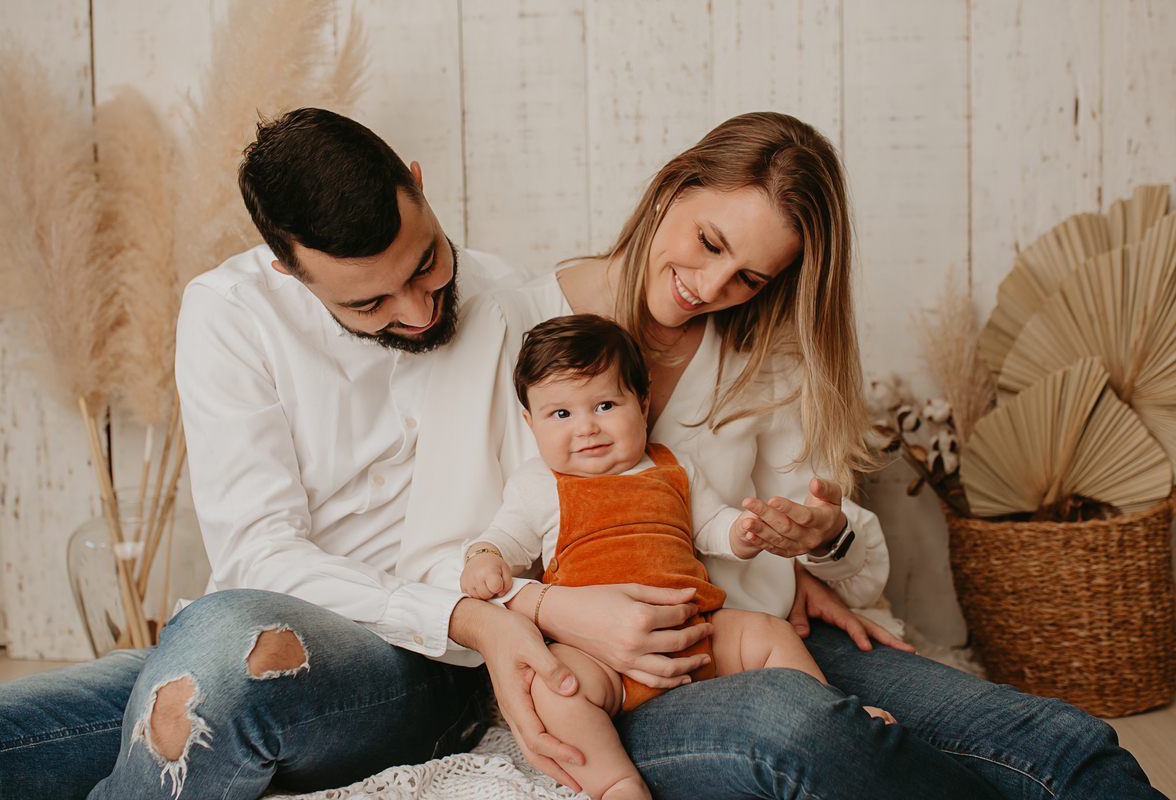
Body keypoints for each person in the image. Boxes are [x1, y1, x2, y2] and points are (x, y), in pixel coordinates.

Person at [398, 111, 1165, 799]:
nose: (710, 286)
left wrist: (818, 542)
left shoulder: (762, 355)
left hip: (750, 637)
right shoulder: (514, 322)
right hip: (602, 677)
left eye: (748, 278)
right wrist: (550, 606)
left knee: (1068, 746)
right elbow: (435, 562)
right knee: (815, 736)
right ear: (672, 188)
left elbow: (839, 550)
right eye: (709, 243)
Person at [0, 108, 587, 800]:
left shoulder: (510, 300)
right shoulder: (231, 313)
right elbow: (258, 552)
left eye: (427, 264)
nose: (418, 311)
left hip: (432, 664)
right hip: (255, 645)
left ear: (418, 186)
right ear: (290, 272)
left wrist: (476, 615)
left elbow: (548, 501)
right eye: (369, 304)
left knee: (216, 671)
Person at [460, 313, 894, 800]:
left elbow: (710, 526)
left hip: (698, 630)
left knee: (770, 634)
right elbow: (503, 538)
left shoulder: (672, 466)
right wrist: (483, 557)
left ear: (642, 404)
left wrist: (745, 532)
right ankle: (615, 782)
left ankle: (833, 712)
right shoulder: (538, 484)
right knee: (554, 689)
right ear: (530, 422)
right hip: (599, 656)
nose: (586, 428)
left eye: (605, 405)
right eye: (561, 415)